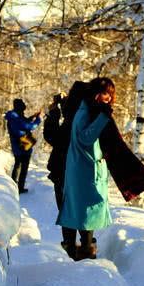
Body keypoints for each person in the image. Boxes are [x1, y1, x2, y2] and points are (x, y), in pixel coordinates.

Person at [56, 77, 144, 260]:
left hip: (89, 169)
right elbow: (86, 138)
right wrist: (103, 117)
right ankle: (82, 254)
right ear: (95, 93)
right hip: (84, 171)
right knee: (85, 211)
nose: (109, 97)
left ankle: (82, 251)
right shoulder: (85, 111)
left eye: (111, 94)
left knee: (85, 211)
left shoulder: (93, 110)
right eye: (105, 93)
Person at [45, 84, 86, 258]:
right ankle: (86, 247)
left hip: (64, 170)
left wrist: (53, 112)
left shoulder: (73, 119)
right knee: (83, 209)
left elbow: (53, 136)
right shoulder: (89, 113)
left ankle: (72, 250)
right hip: (84, 171)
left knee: (67, 209)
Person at [4, 98, 41, 193]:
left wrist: (32, 117)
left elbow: (24, 123)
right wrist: (38, 119)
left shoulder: (13, 117)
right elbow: (29, 126)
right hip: (22, 145)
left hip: (17, 145)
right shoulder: (16, 118)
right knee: (22, 167)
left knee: (18, 165)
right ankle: (19, 188)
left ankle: (13, 186)